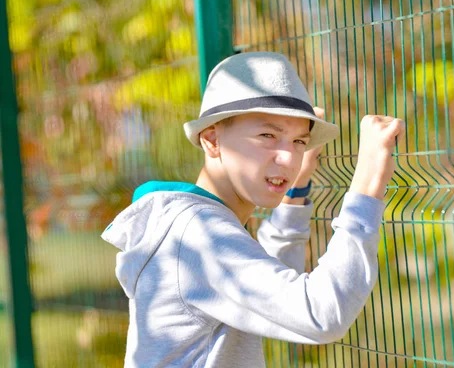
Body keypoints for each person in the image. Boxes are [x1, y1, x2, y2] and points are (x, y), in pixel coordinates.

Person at [102, 51, 405, 367]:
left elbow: (269, 291)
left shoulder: (191, 223)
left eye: (299, 141)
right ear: (212, 140)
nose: (288, 158)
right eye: (268, 135)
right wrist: (368, 182)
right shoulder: (197, 235)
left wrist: (295, 191)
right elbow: (321, 313)